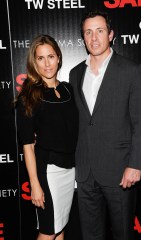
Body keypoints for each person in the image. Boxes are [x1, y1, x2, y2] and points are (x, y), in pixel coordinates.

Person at [69, 10, 141, 240]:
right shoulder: (75, 74)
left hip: (120, 170)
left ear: (111, 34)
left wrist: (135, 164)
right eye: (88, 32)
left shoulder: (132, 71)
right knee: (91, 235)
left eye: (100, 31)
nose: (94, 38)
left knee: (123, 234)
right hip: (85, 172)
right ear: (83, 38)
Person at [16, 35, 78, 240]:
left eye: (50, 56)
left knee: (59, 228)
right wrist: (34, 183)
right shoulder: (30, 95)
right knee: (47, 231)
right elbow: (27, 145)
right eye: (40, 58)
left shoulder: (68, 89)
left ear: (59, 57)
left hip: (69, 170)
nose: (47, 63)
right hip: (48, 172)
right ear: (35, 62)